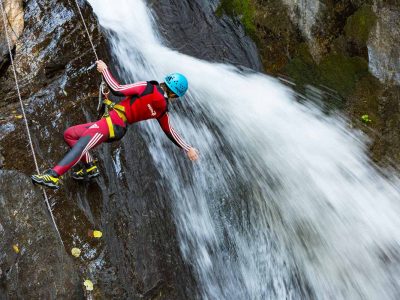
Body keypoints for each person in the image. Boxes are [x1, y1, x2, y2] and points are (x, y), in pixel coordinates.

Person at [31, 60, 199, 189]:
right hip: (115, 125)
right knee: (70, 134)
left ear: (166, 81)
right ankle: (89, 167)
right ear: (175, 95)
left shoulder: (149, 87)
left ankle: (53, 175)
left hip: (111, 123)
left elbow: (117, 89)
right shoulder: (163, 109)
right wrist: (187, 147)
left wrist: (104, 70)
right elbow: (170, 131)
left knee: (81, 144)